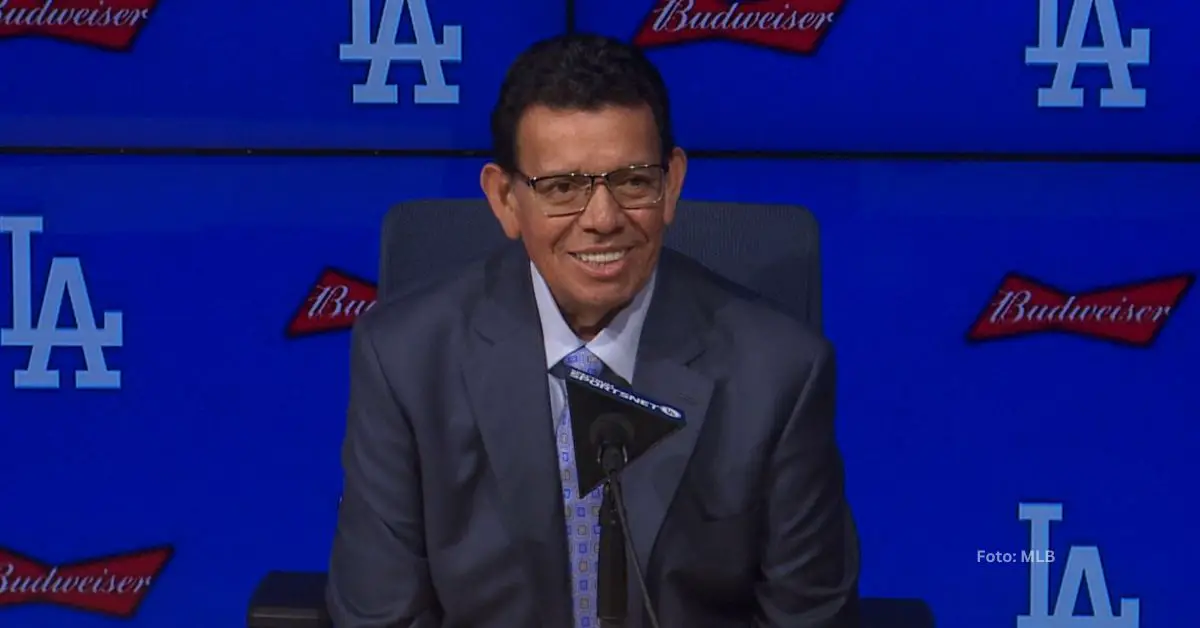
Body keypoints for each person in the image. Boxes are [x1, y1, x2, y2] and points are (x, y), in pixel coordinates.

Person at [326, 33, 860, 627]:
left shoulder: (780, 372)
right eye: (562, 188)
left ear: (672, 184)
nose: (603, 220)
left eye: (632, 181)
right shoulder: (404, 358)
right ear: (504, 199)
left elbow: (807, 617)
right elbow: (380, 615)